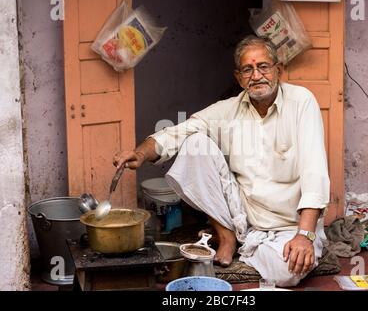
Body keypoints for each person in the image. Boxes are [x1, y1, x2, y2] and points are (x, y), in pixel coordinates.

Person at [113, 35, 330, 287]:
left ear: (278, 70)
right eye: (248, 69)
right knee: (195, 142)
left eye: (263, 67)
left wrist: (304, 235)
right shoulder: (229, 110)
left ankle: (248, 247)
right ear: (239, 78)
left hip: (290, 224)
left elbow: (315, 171)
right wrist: (140, 153)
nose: (256, 75)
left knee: (287, 273)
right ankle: (228, 236)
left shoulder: (302, 102)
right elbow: (179, 131)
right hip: (244, 216)